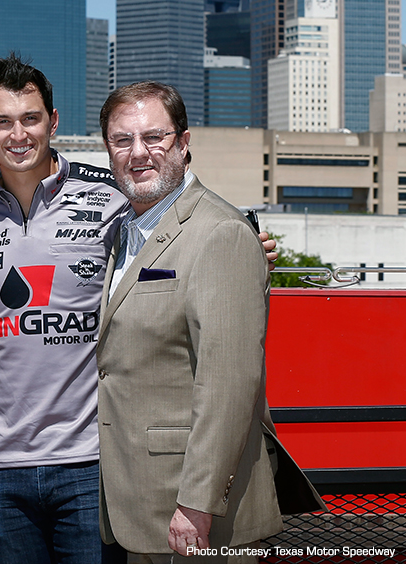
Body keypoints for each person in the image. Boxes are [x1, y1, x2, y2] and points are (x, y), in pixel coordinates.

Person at [96, 81, 326, 563]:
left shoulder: (219, 232)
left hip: (196, 521)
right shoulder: (122, 233)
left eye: (154, 137)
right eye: (122, 140)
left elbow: (228, 384)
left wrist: (197, 504)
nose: (139, 153)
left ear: (183, 143)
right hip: (135, 507)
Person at [0, 53, 126, 564]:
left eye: (30, 119)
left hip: (91, 459)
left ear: (52, 121)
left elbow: (173, 257)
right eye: (2, 122)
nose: (18, 134)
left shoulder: (109, 198)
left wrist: (248, 247)